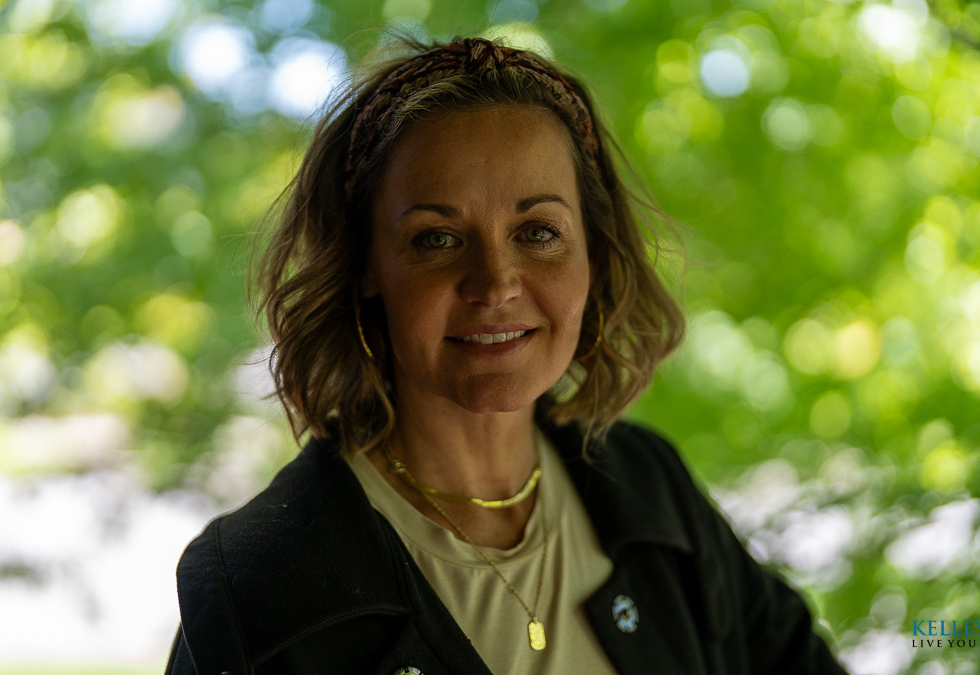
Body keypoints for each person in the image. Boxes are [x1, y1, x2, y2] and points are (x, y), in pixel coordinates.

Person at [166, 36, 845, 675]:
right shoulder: (256, 583)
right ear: (367, 264)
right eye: (436, 238)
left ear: (593, 256)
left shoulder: (647, 486)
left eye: (538, 231)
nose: (494, 282)